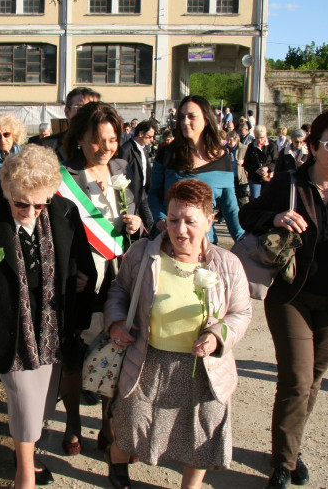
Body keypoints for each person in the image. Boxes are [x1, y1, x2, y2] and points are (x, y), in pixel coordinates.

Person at [239, 109, 328, 489]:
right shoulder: (289, 182)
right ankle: (283, 465)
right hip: (291, 297)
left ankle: (290, 448)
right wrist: (276, 218)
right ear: (314, 146)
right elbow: (247, 214)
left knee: (314, 381)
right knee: (297, 380)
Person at [104, 179, 252, 489]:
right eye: (173, 220)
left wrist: (217, 336)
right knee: (132, 427)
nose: (179, 229)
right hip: (148, 360)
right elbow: (119, 290)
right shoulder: (145, 254)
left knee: (201, 434)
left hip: (203, 368)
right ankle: (117, 463)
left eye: (190, 221)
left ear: (210, 221)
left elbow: (241, 312)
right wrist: (116, 322)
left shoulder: (227, 264)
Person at [0, 144, 96, 489]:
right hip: (10, 325)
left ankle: (28, 451)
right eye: (21, 202)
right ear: (7, 190)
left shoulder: (63, 210)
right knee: (24, 398)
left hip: (53, 325)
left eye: (40, 204)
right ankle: (24, 471)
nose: (30, 211)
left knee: (42, 403)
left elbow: (81, 261)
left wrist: (80, 281)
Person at [59, 101, 153, 455]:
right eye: (97, 140)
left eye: (112, 139)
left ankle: (108, 422)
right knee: (74, 353)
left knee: (117, 350)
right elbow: (57, 233)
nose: (105, 148)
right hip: (83, 278)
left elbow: (139, 208)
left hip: (119, 277)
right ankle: (72, 422)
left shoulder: (123, 167)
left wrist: (138, 224)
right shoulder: (64, 178)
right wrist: (71, 272)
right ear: (80, 139)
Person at [149, 95, 244, 244]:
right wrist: (161, 218)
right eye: (181, 117)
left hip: (205, 246)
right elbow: (153, 194)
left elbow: (230, 207)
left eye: (191, 116)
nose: (185, 122)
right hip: (169, 243)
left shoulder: (222, 158)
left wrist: (242, 240)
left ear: (206, 119)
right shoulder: (167, 153)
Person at [39, 87, 101, 162]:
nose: (88, 113)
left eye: (93, 108)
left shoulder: (110, 146)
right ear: (67, 112)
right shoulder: (47, 146)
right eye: (80, 108)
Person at [119, 119, 157, 193]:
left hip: (144, 191)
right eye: (150, 137)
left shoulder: (144, 148)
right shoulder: (126, 150)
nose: (152, 139)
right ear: (141, 134)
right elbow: (120, 174)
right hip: (132, 193)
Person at [244, 125, 278, 200]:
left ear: (266, 135)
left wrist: (267, 168)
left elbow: (276, 161)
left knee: (266, 199)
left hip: (268, 177)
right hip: (254, 177)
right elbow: (246, 164)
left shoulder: (272, 146)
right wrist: (256, 170)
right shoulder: (251, 146)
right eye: (257, 137)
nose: (259, 140)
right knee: (255, 199)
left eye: (262, 137)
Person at [224, 130, 249, 208]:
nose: (229, 142)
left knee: (242, 198)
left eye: (231, 140)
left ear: (236, 140)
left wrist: (244, 161)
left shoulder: (244, 148)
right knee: (227, 196)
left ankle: (244, 215)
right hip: (229, 176)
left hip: (240, 176)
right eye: (227, 140)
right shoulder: (224, 149)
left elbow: (250, 161)